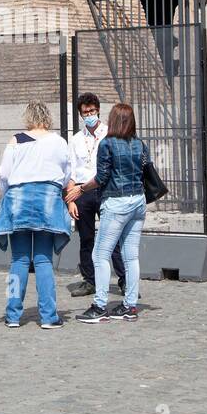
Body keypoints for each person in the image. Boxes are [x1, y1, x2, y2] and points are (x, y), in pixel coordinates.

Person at [0, 102, 72, 329]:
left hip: (18, 199)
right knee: (43, 260)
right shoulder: (58, 141)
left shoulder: (17, 140)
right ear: (48, 118)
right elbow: (66, 174)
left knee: (18, 260)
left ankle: (12, 314)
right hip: (47, 198)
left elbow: (3, 174)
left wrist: (9, 195)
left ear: (27, 118)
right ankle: (48, 315)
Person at [66, 102, 147, 323]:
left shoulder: (107, 144)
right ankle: (130, 306)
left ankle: (99, 306)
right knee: (131, 256)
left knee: (100, 255)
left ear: (113, 120)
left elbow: (101, 177)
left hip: (116, 202)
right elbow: (145, 169)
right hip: (138, 201)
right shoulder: (139, 143)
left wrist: (80, 189)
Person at [65, 92, 126, 300]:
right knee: (86, 238)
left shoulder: (110, 134)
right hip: (82, 192)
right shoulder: (75, 140)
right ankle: (89, 280)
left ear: (98, 110)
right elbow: (71, 172)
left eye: (92, 110)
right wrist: (71, 200)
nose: (89, 114)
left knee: (114, 237)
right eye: (85, 112)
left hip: (105, 190)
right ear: (81, 115)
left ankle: (125, 280)